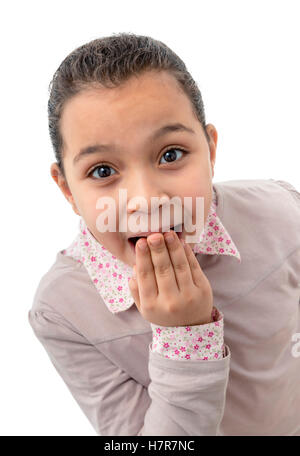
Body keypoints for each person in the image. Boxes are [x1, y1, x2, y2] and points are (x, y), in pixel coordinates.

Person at [28, 32, 300, 436]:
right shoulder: (63, 310)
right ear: (67, 188)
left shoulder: (281, 210)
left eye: (170, 155)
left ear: (209, 150)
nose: (146, 198)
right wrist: (186, 337)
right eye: (103, 171)